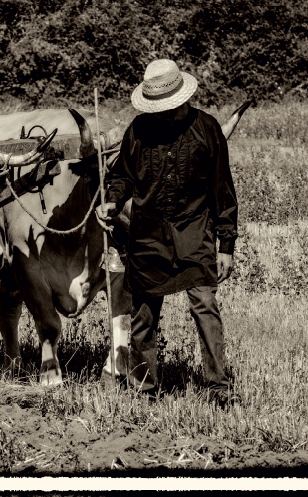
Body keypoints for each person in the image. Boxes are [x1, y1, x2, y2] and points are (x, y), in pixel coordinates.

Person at [96, 59, 239, 407]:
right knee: (143, 313)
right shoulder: (139, 130)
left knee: (205, 304)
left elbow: (223, 188)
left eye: (169, 107)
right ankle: (146, 389)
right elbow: (121, 177)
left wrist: (227, 243)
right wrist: (112, 202)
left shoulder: (206, 129)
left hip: (195, 229)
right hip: (148, 235)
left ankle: (218, 388)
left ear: (182, 98)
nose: (164, 114)